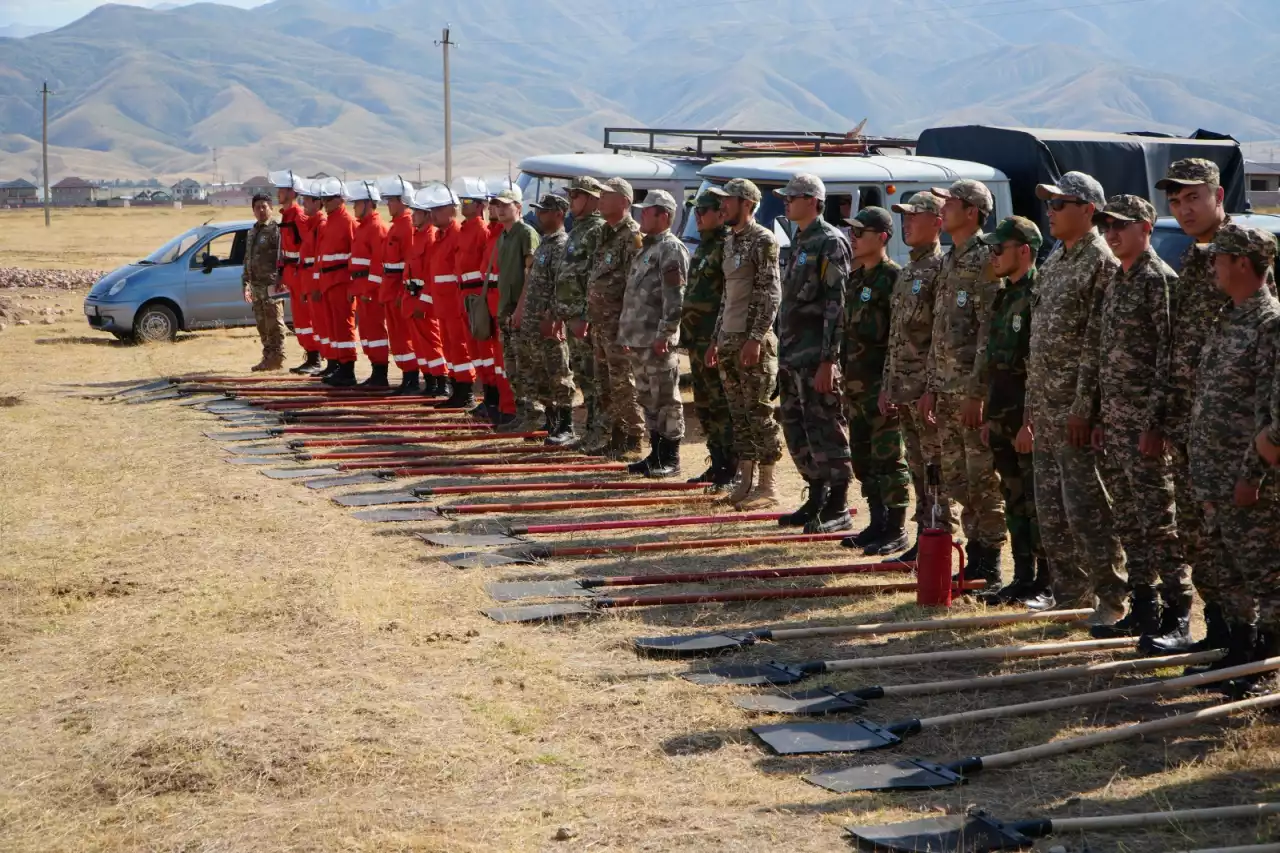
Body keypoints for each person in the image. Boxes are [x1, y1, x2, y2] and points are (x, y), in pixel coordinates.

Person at [1142, 159, 1269, 654]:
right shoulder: (1195, 260)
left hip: (1235, 431)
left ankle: (1251, 642)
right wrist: (1161, 417)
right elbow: (1174, 348)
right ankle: (1218, 631)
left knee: (1240, 542)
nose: (1184, 208)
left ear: (1219, 196)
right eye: (1175, 201)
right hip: (1193, 426)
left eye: (1193, 197)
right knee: (1200, 536)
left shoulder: (1243, 253)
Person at [1086, 195, 1191, 640]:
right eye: (1107, 225)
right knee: (1128, 519)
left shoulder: (1158, 280)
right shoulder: (1117, 279)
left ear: (1146, 228)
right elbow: (1104, 356)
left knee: (1159, 521)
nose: (1112, 233)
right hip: (1114, 423)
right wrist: (1097, 419)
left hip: (1145, 427)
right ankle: (1144, 606)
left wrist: (1156, 424)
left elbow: (1169, 358)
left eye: (1121, 226)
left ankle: (1178, 612)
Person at [1027, 171, 1125, 621]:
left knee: (1088, 509)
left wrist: (1085, 408)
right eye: (1049, 204)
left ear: (1088, 210)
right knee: (1052, 510)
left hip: (1076, 410)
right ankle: (1068, 593)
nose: (1051, 211)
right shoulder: (1057, 259)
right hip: (1047, 406)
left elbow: (1097, 343)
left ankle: (1110, 596)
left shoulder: (1100, 262)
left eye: (1060, 204)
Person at [1188, 223, 1280, 695]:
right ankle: (1241, 655)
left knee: (1266, 577)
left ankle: (1268, 668)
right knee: (1228, 572)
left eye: (1218, 258)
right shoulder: (1229, 316)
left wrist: (1251, 476)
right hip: (1215, 477)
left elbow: (1273, 417)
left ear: (1242, 262)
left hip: (1251, 481)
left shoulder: (1270, 323)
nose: (1213, 267)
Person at [920, 179, 1006, 588]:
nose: (943, 210)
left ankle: (988, 561)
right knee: (958, 478)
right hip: (947, 390)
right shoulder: (952, 259)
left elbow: (989, 331)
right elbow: (942, 332)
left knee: (982, 479)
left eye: (949, 203)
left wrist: (978, 392)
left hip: (972, 394)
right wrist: (933, 386)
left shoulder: (987, 258)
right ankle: (975, 554)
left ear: (971, 211)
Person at [773, 174, 854, 533]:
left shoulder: (830, 242)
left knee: (825, 428)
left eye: (793, 197)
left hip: (814, 357)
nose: (786, 202)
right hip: (793, 355)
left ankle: (838, 504)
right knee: (797, 427)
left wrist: (828, 360)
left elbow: (836, 304)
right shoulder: (800, 239)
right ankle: (816, 496)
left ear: (813, 201)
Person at [975, 216, 1047, 604]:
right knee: (1013, 498)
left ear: (1024, 251)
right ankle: (1022, 575)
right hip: (1003, 415)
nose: (993, 255)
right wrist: (990, 415)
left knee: (1036, 503)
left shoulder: (1037, 295)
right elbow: (994, 362)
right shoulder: (1004, 295)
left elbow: (1037, 364)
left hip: (1025, 418)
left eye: (999, 248)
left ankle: (1046, 581)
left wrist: (1029, 422)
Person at [706, 178, 783, 510]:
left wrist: (755, 338)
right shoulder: (730, 242)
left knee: (759, 412)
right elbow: (727, 296)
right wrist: (715, 339)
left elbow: (770, 293)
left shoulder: (762, 241)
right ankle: (746, 479)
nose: (723, 205)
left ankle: (768, 485)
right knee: (739, 414)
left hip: (753, 343)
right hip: (728, 339)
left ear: (747, 204)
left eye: (729, 200)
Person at [839, 207, 911, 554]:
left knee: (888, 458)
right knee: (864, 458)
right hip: (855, 387)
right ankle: (877, 522)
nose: (853, 238)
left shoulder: (892, 278)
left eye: (860, 233)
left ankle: (896, 528)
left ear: (881, 237)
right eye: (851, 232)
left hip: (881, 387)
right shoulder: (857, 279)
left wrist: (890, 385)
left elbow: (897, 339)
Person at [882, 191, 946, 559]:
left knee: (935, 468)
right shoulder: (908, 271)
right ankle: (924, 536)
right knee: (918, 467)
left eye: (915, 216)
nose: (907, 222)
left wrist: (931, 388)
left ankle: (937, 537)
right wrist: (889, 383)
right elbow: (897, 335)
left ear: (937, 222)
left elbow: (939, 335)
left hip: (925, 389)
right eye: (904, 217)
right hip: (903, 388)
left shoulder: (940, 269)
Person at [619, 189, 690, 477]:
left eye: (647, 211)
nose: (641, 216)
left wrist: (666, 333)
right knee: (648, 398)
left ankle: (670, 457)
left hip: (657, 340)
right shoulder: (647, 248)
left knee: (666, 398)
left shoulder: (671, 249)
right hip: (640, 338)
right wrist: (628, 334)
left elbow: (675, 298)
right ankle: (656, 453)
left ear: (664, 215)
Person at [585, 177, 645, 459]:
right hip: (601, 324)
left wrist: (628, 328)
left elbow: (635, 286)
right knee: (606, 383)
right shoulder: (605, 234)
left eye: (607, 195)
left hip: (619, 326)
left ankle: (634, 438)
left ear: (623, 201)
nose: (600, 200)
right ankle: (616, 435)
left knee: (623, 382)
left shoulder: (632, 236)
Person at [681, 189, 736, 489]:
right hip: (697, 340)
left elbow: (727, 298)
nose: (698, 217)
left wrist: (716, 339)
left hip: (714, 341)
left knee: (721, 405)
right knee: (704, 405)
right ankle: (717, 463)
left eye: (703, 211)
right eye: (696, 212)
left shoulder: (725, 246)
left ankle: (732, 467)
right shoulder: (704, 247)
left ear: (721, 213)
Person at [514, 193, 577, 443]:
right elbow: (531, 282)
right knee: (540, 373)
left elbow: (561, 286)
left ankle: (566, 425)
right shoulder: (545, 243)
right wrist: (521, 311)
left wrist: (554, 316)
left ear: (559, 214)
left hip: (549, 322)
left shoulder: (562, 245)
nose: (539, 215)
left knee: (559, 372)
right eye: (539, 210)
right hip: (533, 322)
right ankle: (550, 421)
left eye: (544, 211)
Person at [553, 176, 608, 447]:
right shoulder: (578, 229)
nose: (571, 200)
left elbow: (595, 279)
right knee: (584, 377)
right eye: (571, 195)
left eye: (576, 195)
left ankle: (599, 433)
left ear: (592, 199)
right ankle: (590, 431)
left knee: (594, 377)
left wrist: (584, 316)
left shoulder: (597, 230)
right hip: (571, 317)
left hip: (585, 320)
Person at [492, 184, 541, 432]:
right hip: (506, 309)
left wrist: (521, 309)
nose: (499, 209)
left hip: (521, 310)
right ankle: (522, 415)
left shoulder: (526, 233)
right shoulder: (504, 236)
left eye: (505, 205)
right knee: (512, 367)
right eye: (497, 205)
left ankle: (534, 416)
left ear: (518, 208)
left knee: (526, 365)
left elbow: (531, 276)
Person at [425, 183, 478, 409]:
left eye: (438, 209)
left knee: (460, 347)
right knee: (450, 348)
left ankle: (466, 393)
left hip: (456, 304)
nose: (433, 214)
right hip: (443, 304)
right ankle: (457, 391)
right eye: (432, 209)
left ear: (452, 210)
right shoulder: (440, 236)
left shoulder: (457, 234)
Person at [270, 170, 320, 374]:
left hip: (301, 276)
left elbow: (310, 248)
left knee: (306, 319)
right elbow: (285, 250)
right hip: (293, 275)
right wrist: (282, 274)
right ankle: (310, 356)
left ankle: (315, 359)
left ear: (291, 192)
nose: (278, 193)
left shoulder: (298, 217)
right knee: (299, 320)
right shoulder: (287, 216)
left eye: (281, 189)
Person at [375, 175, 420, 395]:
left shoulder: (407, 226)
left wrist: (404, 291)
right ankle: (406, 377)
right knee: (397, 337)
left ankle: (411, 377)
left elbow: (410, 263)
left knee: (404, 336)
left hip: (398, 290)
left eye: (391, 200)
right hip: (390, 289)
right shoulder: (397, 226)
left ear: (403, 200)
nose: (388, 204)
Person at [453, 177, 494, 414]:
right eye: (461, 200)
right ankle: (486, 396)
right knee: (475, 351)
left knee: (484, 350)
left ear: (480, 206)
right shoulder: (465, 230)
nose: (462, 204)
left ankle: (491, 395)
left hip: (476, 298)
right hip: (464, 297)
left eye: (467, 200)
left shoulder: (481, 231)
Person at [315, 178, 359, 386]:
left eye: (328, 198)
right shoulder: (329, 221)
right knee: (334, 328)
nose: (324, 202)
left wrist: (352, 284)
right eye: (323, 198)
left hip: (341, 281)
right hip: (329, 282)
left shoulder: (347, 221)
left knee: (344, 326)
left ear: (340, 199)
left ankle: (348, 369)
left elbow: (355, 254)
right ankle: (340, 366)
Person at [405, 186, 448, 397]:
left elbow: (432, 275)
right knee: (421, 345)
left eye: (416, 212)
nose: (412, 216)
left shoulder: (431, 238)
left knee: (432, 342)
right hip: (414, 298)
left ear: (427, 215)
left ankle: (442, 381)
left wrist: (425, 302)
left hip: (425, 300)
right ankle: (430, 381)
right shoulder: (418, 236)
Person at [346, 180, 390, 386]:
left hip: (370, 290)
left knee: (375, 331)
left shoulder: (376, 227)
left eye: (357, 203)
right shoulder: (364, 227)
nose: (354, 207)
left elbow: (378, 264)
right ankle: (375, 371)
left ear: (369, 204)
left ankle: (380, 373)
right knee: (366, 332)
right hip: (362, 287)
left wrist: (369, 290)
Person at [242, 192, 285, 371]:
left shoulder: (277, 230)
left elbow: (282, 257)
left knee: (275, 323)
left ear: (271, 208)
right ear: (253, 210)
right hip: (256, 287)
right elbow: (248, 259)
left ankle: (277, 357)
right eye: (257, 207)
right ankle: (267, 357)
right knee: (262, 325)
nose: (260, 210)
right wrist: (246, 283)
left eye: (264, 206)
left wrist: (281, 280)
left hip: (271, 286)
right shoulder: (252, 232)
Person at [297, 180, 328, 376]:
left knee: (323, 324)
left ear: (318, 203)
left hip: (316, 282)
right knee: (316, 323)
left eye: (307, 201)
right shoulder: (311, 224)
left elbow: (319, 258)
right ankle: (325, 362)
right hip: (308, 279)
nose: (303, 205)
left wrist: (316, 285)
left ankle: (324, 362)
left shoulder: (321, 225)